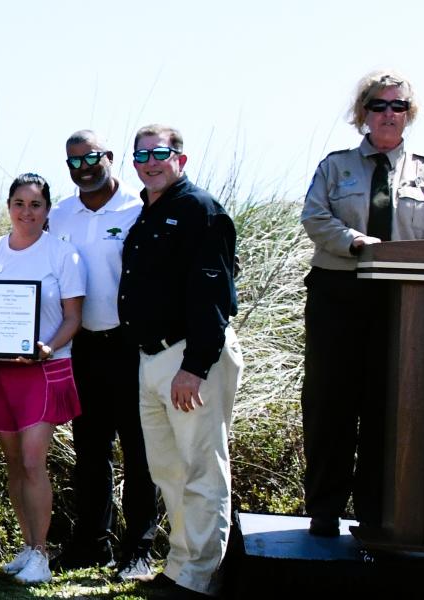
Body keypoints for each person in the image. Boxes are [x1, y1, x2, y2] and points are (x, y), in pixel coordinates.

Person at [299, 72, 424, 538]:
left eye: (398, 106)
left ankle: (377, 510)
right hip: (339, 292)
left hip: (403, 300)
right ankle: (325, 509)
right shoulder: (336, 167)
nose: (388, 114)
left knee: (389, 405)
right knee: (330, 404)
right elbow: (314, 216)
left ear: (409, 114)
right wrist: (356, 242)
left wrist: (415, 262)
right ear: (363, 113)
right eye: (378, 106)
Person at [120, 125, 242, 598]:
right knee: (168, 471)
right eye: (142, 155)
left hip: (189, 358)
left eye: (160, 153)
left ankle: (200, 577)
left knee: (201, 470)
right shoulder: (149, 212)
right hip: (152, 359)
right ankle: (179, 567)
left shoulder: (199, 210)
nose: (150, 162)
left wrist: (196, 365)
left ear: (181, 159)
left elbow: (214, 293)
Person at [47, 130, 158, 580]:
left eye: (91, 158)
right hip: (83, 345)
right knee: (90, 450)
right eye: (74, 162)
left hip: (131, 345)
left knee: (139, 449)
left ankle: (139, 547)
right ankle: (91, 544)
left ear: (109, 157)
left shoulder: (139, 207)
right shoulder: (60, 214)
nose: (84, 168)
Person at [0, 173, 85, 585]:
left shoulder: (63, 255)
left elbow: (74, 318)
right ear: (8, 206)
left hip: (44, 369)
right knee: (15, 464)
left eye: (35, 204)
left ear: (47, 210)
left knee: (35, 463)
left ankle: (42, 554)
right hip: (0, 371)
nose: (27, 212)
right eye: (19, 203)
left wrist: (48, 347)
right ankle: (27, 545)